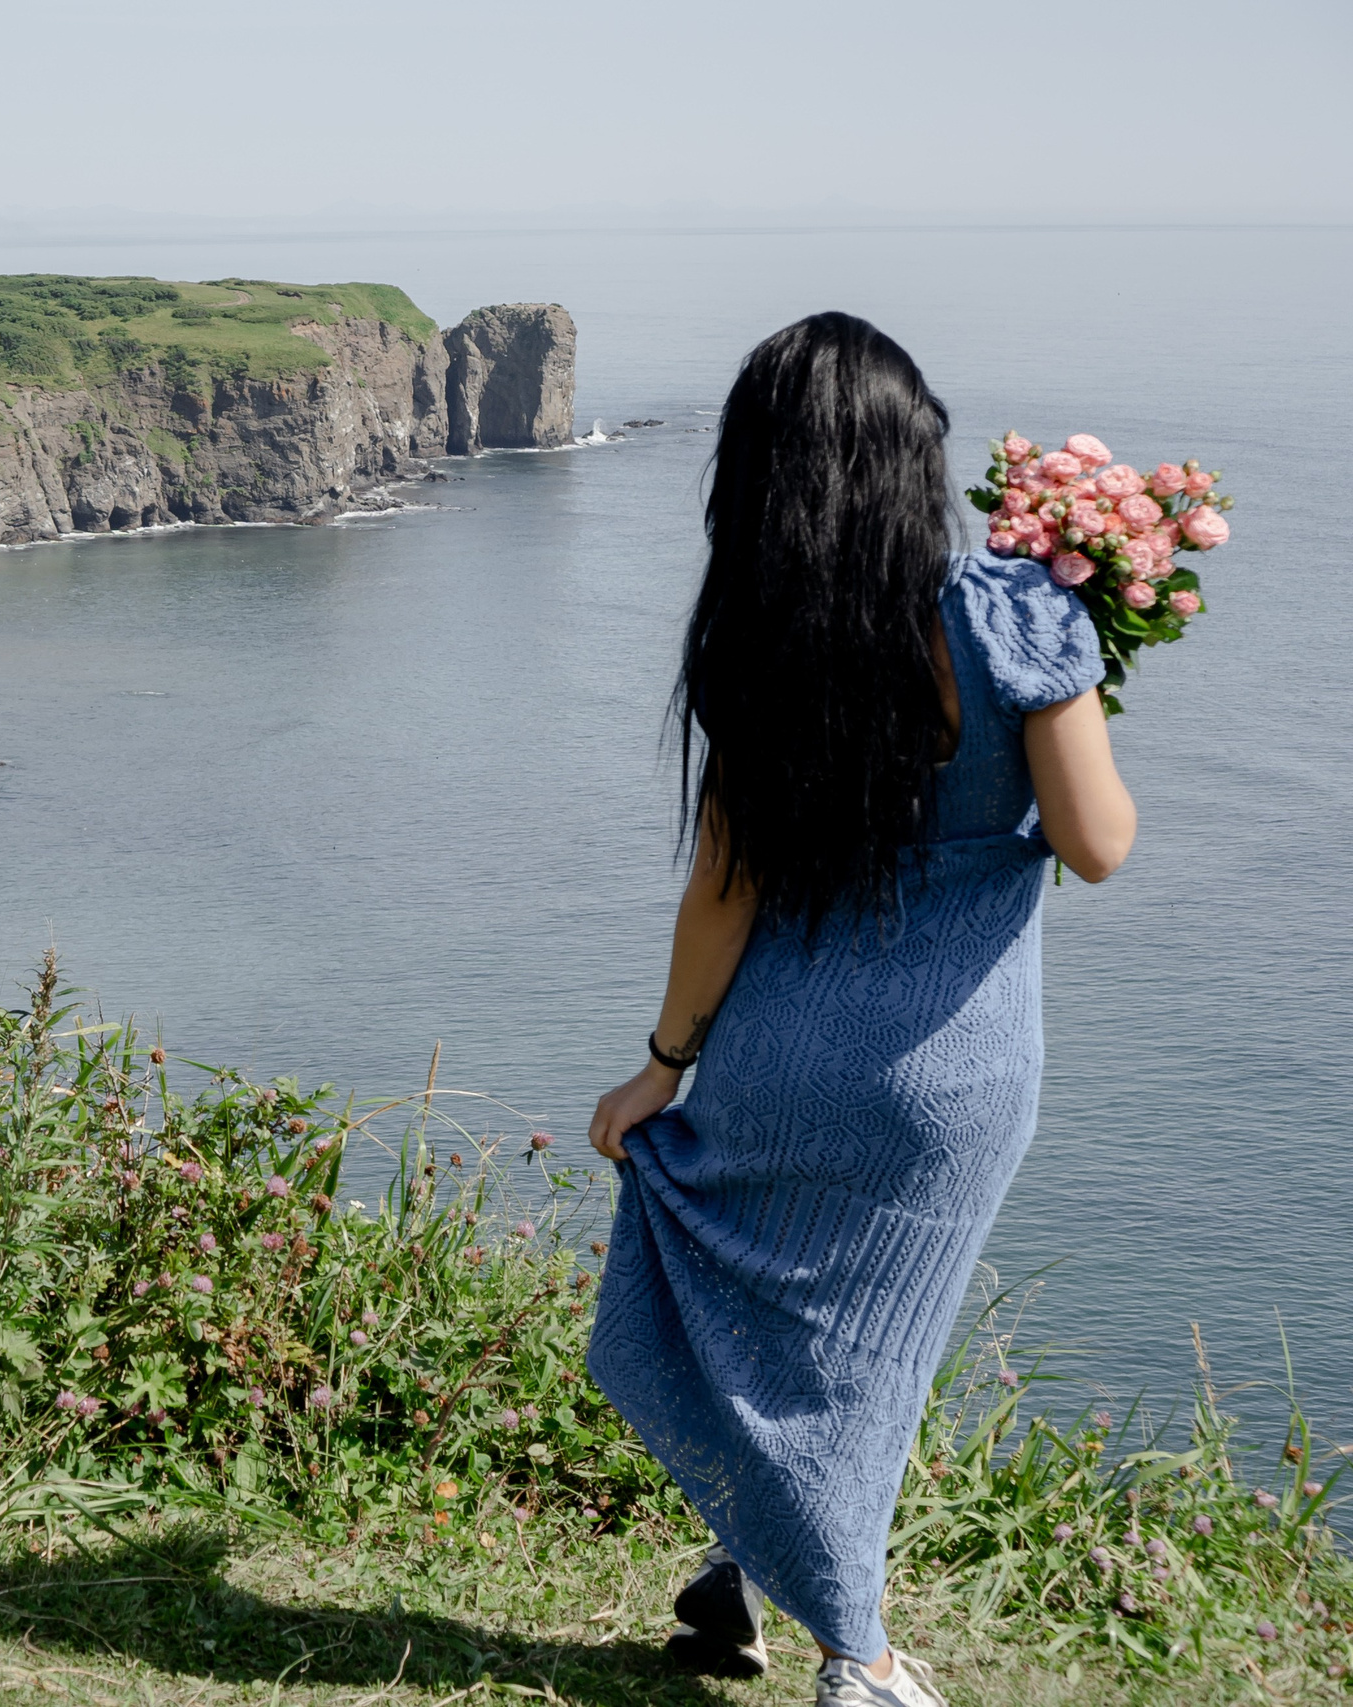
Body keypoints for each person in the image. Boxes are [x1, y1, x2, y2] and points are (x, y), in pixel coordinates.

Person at [582, 313, 1137, 1707]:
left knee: (775, 1322)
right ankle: (863, 1662)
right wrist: (1075, 679)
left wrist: (663, 1066)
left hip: (776, 1049)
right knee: (867, 1365)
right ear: (919, 455)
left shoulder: (758, 643)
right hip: (948, 1070)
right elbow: (1097, 843)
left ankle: (736, 1571)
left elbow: (724, 888)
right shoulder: (1015, 614)